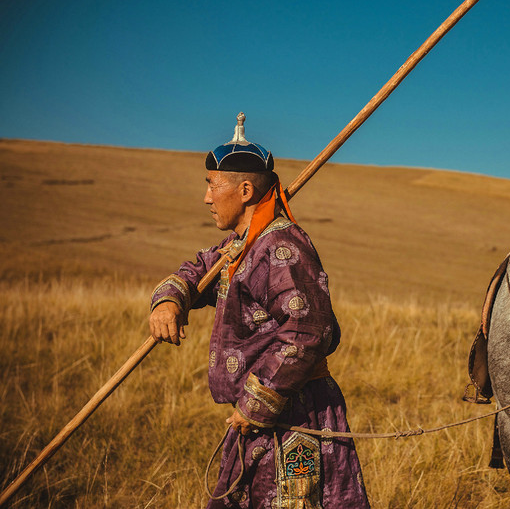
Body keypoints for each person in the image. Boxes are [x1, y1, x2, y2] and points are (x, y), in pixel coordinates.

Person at [148, 113, 370, 508]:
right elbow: (198, 269)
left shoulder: (283, 247)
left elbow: (307, 329)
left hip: (294, 418)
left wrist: (258, 402)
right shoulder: (241, 245)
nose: (206, 198)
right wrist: (170, 299)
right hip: (260, 421)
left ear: (245, 189)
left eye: (213, 186)